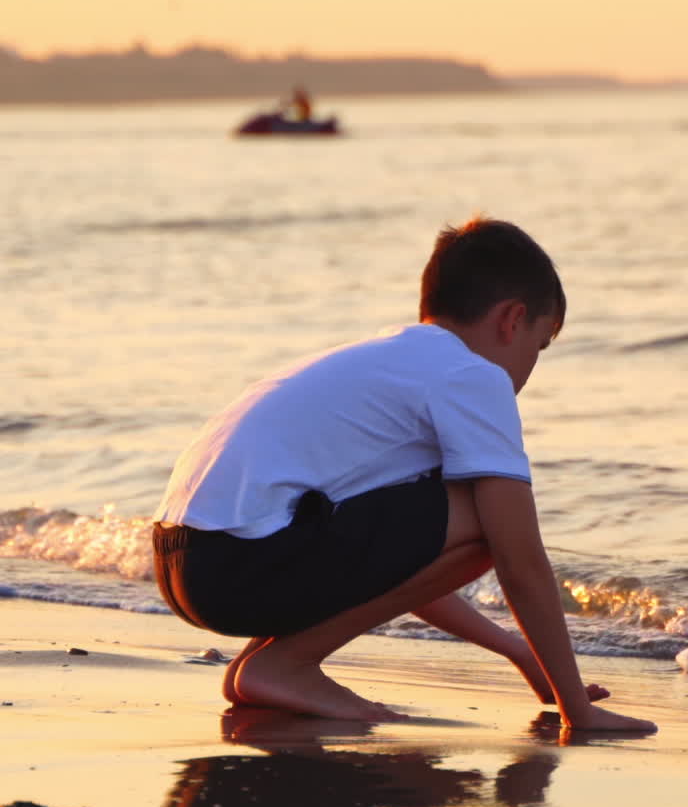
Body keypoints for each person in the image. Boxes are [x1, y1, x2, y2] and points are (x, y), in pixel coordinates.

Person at [152, 218, 657, 735]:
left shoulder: (390, 361)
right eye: (540, 345)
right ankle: (283, 666)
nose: (532, 364)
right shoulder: (471, 375)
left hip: (186, 565)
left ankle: (267, 667)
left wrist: (520, 653)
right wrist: (578, 709)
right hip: (237, 565)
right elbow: (519, 558)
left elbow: (404, 566)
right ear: (512, 319)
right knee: (491, 520)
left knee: (464, 514)